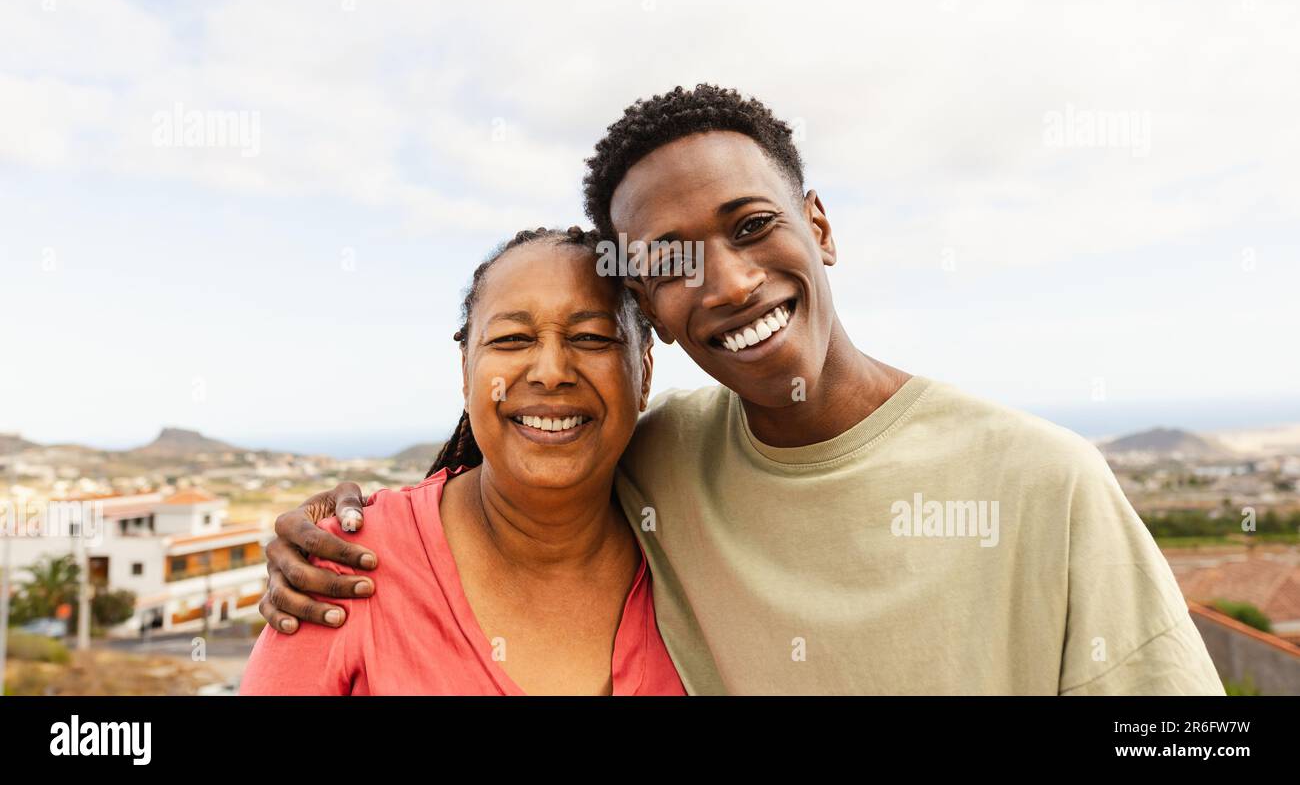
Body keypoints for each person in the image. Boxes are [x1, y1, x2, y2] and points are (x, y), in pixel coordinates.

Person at [257, 84, 1224, 695]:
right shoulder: (660, 462)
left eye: (753, 224)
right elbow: (536, 434)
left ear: (820, 226)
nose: (727, 282)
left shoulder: (1045, 483)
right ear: (653, 318)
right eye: (674, 263)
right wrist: (341, 523)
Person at [240, 227, 684, 695]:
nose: (551, 373)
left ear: (645, 373)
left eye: (592, 337)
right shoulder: (345, 568)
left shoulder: (690, 551)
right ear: (466, 372)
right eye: (512, 338)